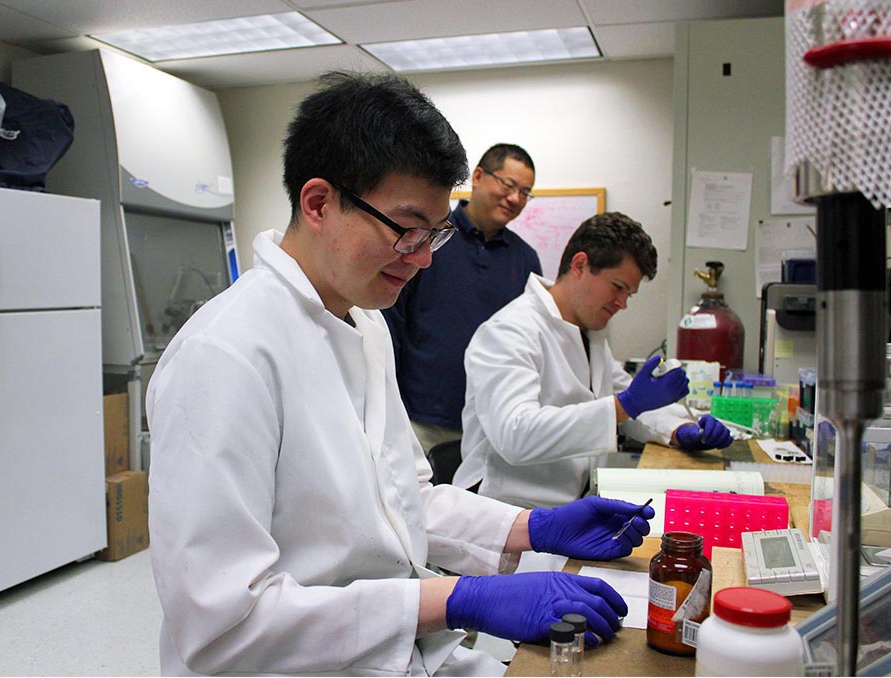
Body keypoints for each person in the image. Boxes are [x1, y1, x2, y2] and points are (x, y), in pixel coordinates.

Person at [146, 71, 655, 677]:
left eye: (436, 234)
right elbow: (222, 628)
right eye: (406, 228)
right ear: (318, 203)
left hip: (395, 653)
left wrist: (532, 527)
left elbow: (404, 501)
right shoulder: (225, 356)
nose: (420, 259)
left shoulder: (365, 325)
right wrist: (455, 599)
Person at [453, 212, 734, 508]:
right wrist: (625, 405)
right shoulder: (509, 332)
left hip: (566, 507)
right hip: (505, 511)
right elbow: (516, 436)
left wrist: (678, 431)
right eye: (618, 287)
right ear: (580, 265)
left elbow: (626, 401)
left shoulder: (590, 334)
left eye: (630, 294)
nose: (623, 303)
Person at [383, 143, 541, 454]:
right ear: (478, 176)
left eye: (525, 192)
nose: (515, 199)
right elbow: (393, 323)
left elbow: (533, 341)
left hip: (493, 427)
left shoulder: (526, 260)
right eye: (509, 185)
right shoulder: (430, 242)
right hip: (422, 421)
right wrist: (389, 402)